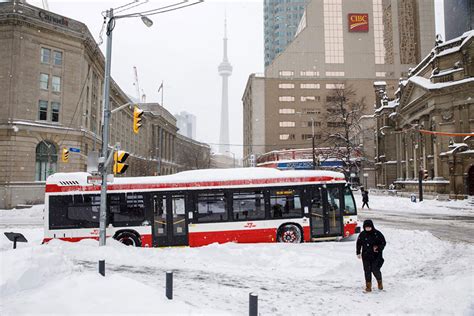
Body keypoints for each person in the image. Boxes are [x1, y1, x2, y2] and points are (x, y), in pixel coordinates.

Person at [356, 220, 386, 292]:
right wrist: (358, 252)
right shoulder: (362, 234)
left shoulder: (377, 234)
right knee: (367, 271)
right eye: (366, 227)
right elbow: (358, 243)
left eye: (369, 227)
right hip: (366, 256)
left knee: (375, 270)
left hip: (376, 256)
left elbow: (383, 242)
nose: (368, 229)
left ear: (372, 226)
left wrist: (378, 248)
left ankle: (380, 282)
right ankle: (368, 287)